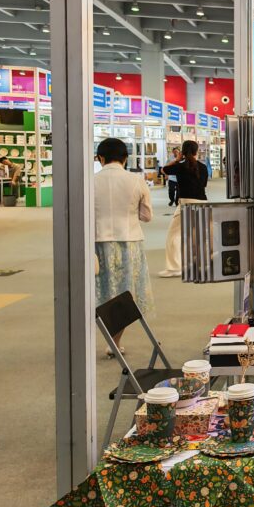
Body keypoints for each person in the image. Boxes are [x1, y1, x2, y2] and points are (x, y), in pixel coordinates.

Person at [94, 137, 154, 354]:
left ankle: (108, 340)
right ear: (125, 158)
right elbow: (147, 216)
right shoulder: (136, 180)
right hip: (129, 241)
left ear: (101, 158)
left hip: (98, 243)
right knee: (125, 293)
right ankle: (115, 342)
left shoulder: (90, 181)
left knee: (102, 291)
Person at [159, 139, 207, 278]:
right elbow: (203, 185)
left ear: (183, 152)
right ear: (197, 151)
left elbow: (164, 170)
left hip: (186, 203)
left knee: (173, 236)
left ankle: (174, 268)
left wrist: (177, 159)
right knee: (196, 235)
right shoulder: (202, 167)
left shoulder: (180, 166)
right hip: (202, 202)